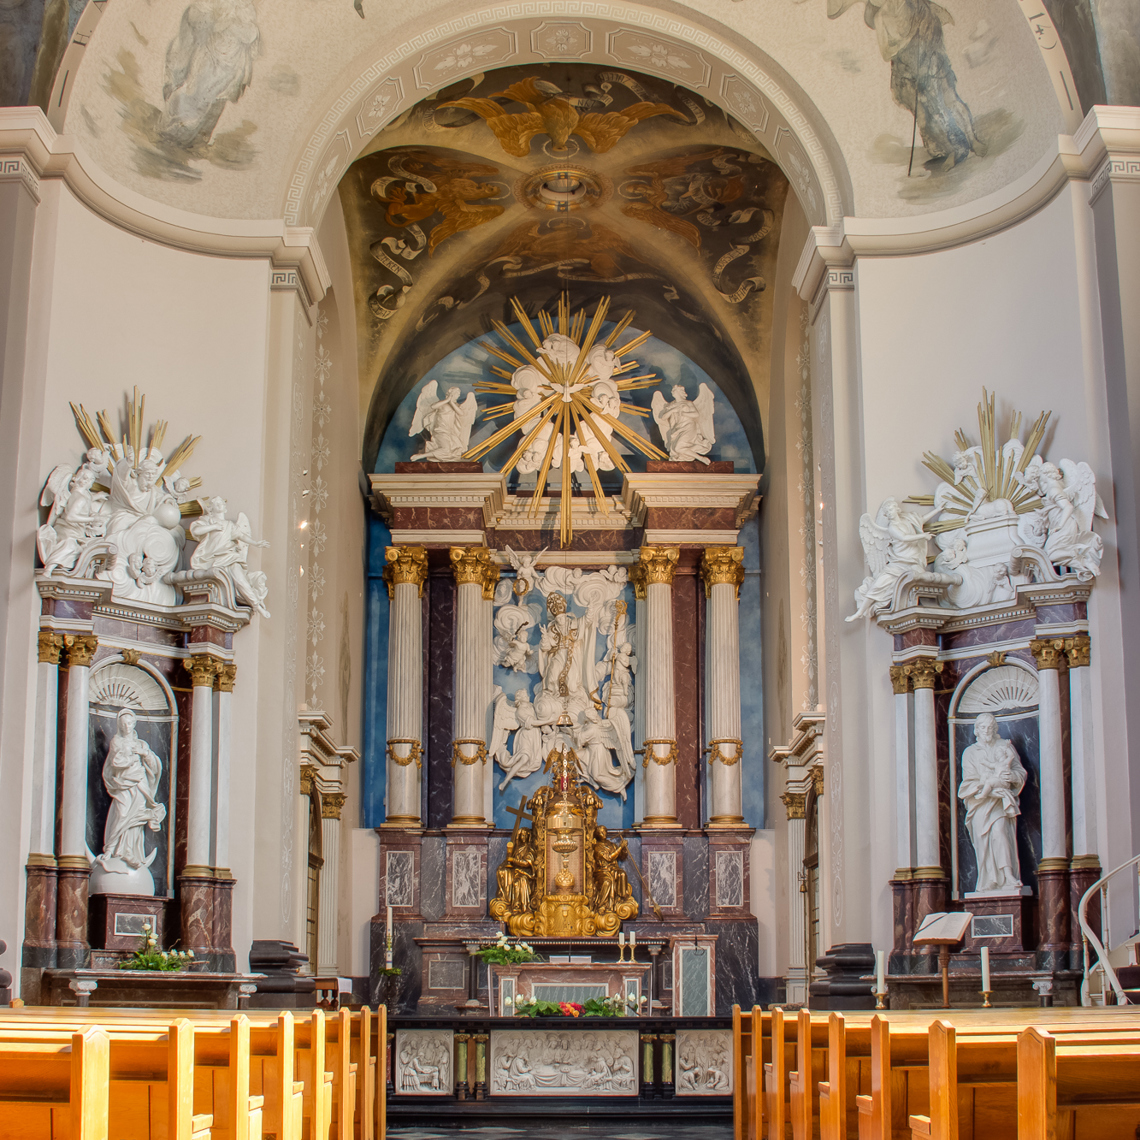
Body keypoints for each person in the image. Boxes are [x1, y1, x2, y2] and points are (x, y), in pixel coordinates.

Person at [958, 712, 1027, 892]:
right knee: (984, 843)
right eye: (983, 727)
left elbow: (1021, 773)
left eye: (990, 727)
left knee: (999, 833)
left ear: (995, 728)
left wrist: (1010, 775)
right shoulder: (970, 753)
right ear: (976, 730)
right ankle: (989, 879)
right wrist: (986, 787)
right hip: (980, 805)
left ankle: (1008, 876)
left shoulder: (1005, 747)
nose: (987, 730)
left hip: (1000, 803)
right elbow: (969, 781)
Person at [96, 710, 166, 873]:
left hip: (140, 785)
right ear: (119, 725)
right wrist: (131, 760)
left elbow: (155, 767)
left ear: (134, 724)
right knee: (121, 814)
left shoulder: (141, 744)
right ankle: (111, 849)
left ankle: (131, 853)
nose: (127, 727)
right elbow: (115, 763)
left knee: (136, 819)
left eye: (129, 723)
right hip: (123, 785)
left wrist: (145, 754)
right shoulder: (116, 741)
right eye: (123, 724)